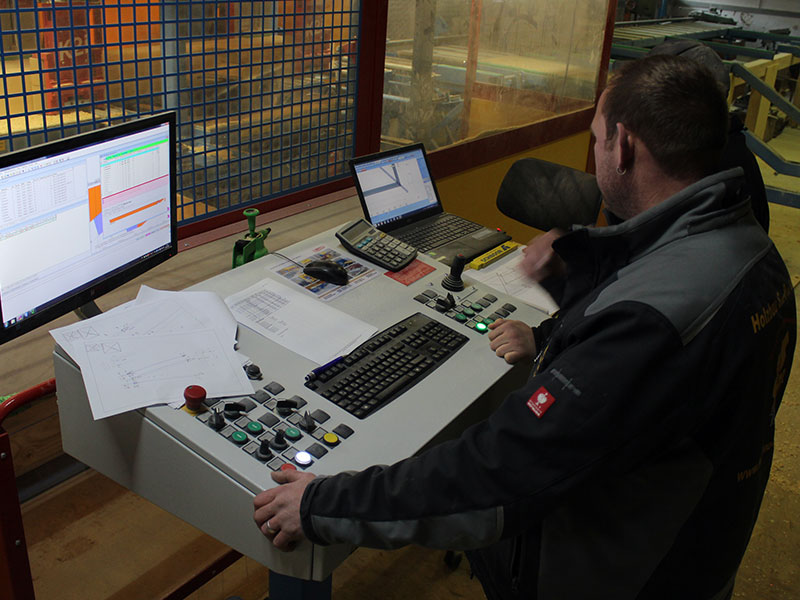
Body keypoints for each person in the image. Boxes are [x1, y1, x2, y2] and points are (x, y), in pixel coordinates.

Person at [254, 55, 796, 600]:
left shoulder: (652, 325)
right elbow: (647, 388)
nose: (596, 152)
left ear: (624, 147)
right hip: (693, 551)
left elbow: (500, 474)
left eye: (597, 138)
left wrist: (323, 503)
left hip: (617, 574)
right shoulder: (754, 254)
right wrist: (567, 297)